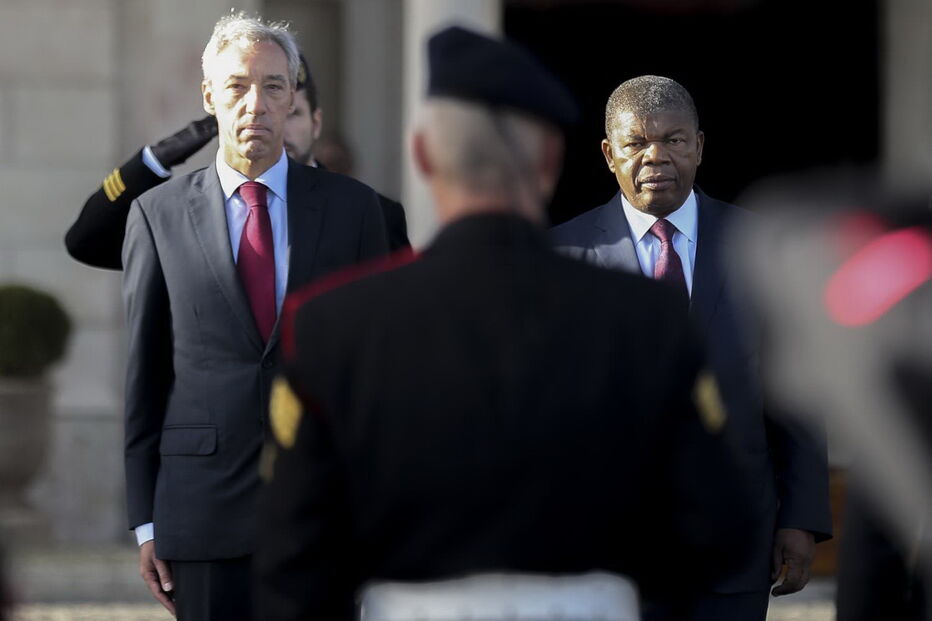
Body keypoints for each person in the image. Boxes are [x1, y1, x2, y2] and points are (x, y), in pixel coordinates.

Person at [254, 27, 758, 621]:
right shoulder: (646, 319)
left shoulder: (334, 326)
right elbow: (721, 530)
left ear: (422, 157)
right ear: (550, 159)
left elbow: (290, 555)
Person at [121, 13, 388, 620]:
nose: (256, 104)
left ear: (295, 95)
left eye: (274, 86)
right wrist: (144, 521)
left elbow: (383, 374)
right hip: (201, 518)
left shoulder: (356, 210)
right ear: (209, 95)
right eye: (238, 85)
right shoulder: (155, 216)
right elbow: (144, 381)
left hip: (327, 516)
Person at [550, 75, 833, 621]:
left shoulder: (761, 250)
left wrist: (800, 519)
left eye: (675, 140)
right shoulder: (560, 254)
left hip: (734, 549)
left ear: (700, 147)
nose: (656, 156)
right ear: (609, 154)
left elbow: (797, 393)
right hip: (604, 554)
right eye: (636, 143)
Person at [66, 55, 407, 271]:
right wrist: (155, 160)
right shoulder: (186, 215)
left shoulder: (371, 213)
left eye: (291, 112)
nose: (272, 123)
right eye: (259, 107)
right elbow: (87, 242)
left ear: (316, 122)